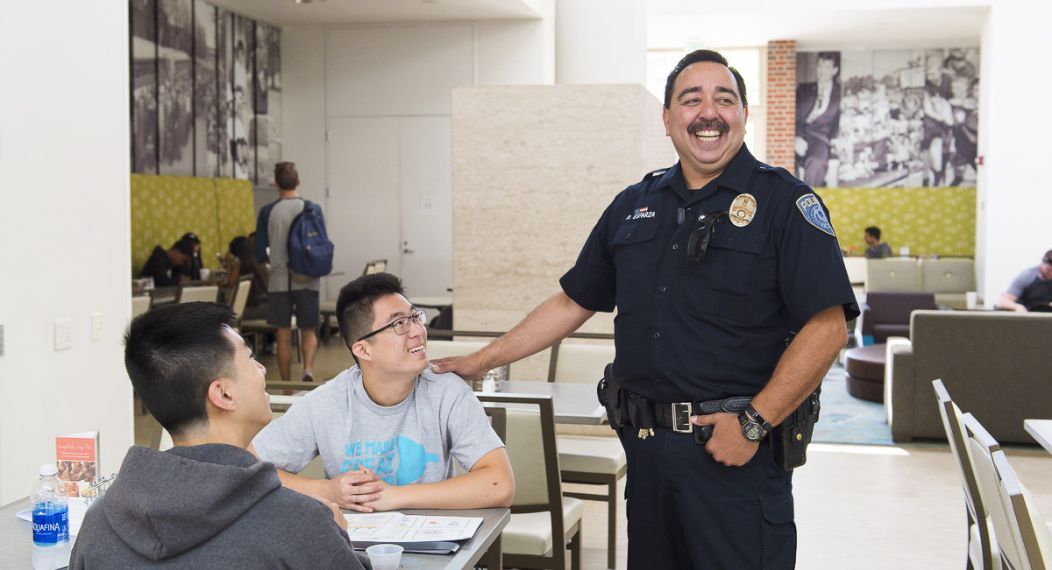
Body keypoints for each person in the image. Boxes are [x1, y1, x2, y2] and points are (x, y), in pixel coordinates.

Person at [432, 49, 858, 569]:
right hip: (649, 452)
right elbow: (573, 300)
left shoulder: (784, 204)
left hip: (735, 457)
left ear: (744, 115)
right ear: (667, 118)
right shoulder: (634, 204)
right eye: (691, 99)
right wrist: (481, 360)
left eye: (725, 99)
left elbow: (828, 327)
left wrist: (752, 423)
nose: (708, 112)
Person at [70, 302, 364, 569]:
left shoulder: (98, 525)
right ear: (222, 393)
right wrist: (339, 536)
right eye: (250, 359)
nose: (262, 369)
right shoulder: (300, 523)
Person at [251, 272, 514, 513]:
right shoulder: (327, 402)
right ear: (363, 350)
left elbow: (499, 484)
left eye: (414, 317)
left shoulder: (447, 392)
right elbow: (247, 467)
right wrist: (327, 490)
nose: (417, 331)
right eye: (399, 324)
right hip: (349, 548)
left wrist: (394, 496)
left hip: (435, 544)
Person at [255, 162, 320, 382]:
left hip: (279, 281)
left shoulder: (267, 211)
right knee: (308, 329)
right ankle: (308, 369)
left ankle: (287, 385)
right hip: (308, 278)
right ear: (298, 181)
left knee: (283, 334)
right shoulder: (313, 209)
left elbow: (260, 252)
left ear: (276, 184)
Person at [795, 51, 841, 187]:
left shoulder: (840, 93)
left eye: (827, 67)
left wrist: (836, 139)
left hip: (821, 138)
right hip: (800, 134)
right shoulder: (804, 89)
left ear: (834, 70)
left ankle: (809, 203)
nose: (822, 70)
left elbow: (839, 120)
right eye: (819, 66)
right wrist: (797, 137)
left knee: (817, 161)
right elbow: (794, 114)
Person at [225, 235, 269, 319]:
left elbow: (230, 283)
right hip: (268, 307)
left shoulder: (239, 264)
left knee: (225, 315)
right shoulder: (259, 263)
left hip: (255, 310)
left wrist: (228, 264)